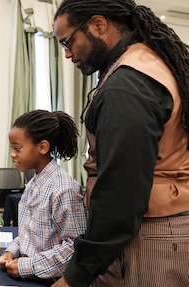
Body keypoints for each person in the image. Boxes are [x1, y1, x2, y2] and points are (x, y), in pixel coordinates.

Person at [52, 1, 189, 286]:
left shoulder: (127, 84)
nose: (67, 53)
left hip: (153, 234)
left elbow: (121, 192)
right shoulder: (148, 62)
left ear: (98, 24)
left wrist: (77, 274)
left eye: (68, 41)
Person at [0, 110, 87, 286]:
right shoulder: (34, 183)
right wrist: (12, 251)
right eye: (11, 149)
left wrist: (26, 266)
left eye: (17, 148)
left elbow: (74, 250)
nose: (12, 155)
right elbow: (30, 233)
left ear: (43, 147)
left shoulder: (64, 190)